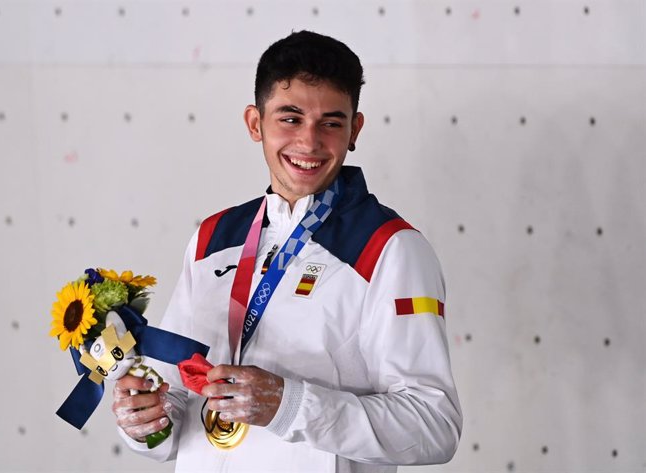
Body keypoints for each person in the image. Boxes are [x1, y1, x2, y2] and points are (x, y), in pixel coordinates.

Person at [112, 30, 462, 472]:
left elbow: (434, 427)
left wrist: (289, 405)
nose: (310, 142)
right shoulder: (212, 238)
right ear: (255, 123)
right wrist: (147, 422)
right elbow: (178, 395)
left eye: (331, 122)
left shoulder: (391, 248)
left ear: (354, 129)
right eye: (290, 118)